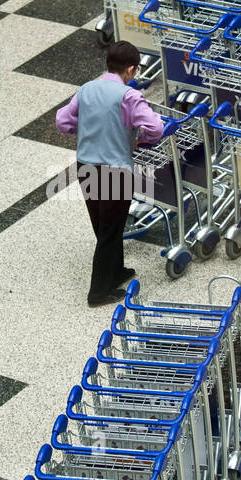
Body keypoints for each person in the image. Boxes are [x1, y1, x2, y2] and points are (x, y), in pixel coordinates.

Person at [55, 39, 165, 306]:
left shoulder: (86, 90)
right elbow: (156, 127)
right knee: (110, 230)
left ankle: (116, 272)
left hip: (86, 167)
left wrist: (82, 131)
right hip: (115, 172)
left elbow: (63, 121)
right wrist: (142, 140)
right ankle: (98, 293)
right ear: (130, 69)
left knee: (105, 227)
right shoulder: (128, 96)